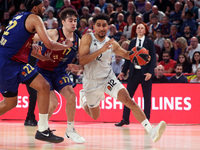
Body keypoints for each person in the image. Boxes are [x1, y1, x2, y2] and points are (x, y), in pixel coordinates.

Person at [79, 14, 166, 143]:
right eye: (99, 25)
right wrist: (101, 50)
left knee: (129, 101)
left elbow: (125, 54)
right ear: (94, 27)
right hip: (91, 82)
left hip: (108, 79)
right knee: (95, 115)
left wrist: (139, 56)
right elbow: (82, 60)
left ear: (108, 27)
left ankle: (151, 131)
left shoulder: (111, 42)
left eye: (104, 25)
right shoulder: (87, 38)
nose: (102, 28)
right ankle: (84, 99)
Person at [0, 0, 73, 143]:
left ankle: (42, 130)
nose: (45, 8)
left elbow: (25, 46)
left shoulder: (19, 17)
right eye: (42, 6)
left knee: (43, 86)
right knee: (10, 103)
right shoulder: (35, 18)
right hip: (8, 63)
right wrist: (65, 46)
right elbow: (49, 43)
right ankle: (43, 129)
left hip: (13, 61)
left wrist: (42, 57)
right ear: (35, 8)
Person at [33, 8, 85, 143]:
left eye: (75, 21)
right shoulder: (53, 33)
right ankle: (42, 128)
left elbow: (84, 60)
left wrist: (80, 67)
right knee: (53, 103)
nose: (73, 23)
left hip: (60, 72)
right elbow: (31, 38)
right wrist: (35, 50)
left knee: (72, 96)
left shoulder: (78, 41)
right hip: (43, 71)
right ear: (63, 22)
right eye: (70, 20)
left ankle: (70, 130)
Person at [116, 23, 156, 126]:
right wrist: (123, 72)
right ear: (136, 30)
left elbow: (153, 59)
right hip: (134, 73)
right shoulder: (132, 42)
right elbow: (129, 58)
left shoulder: (149, 42)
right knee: (127, 97)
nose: (140, 29)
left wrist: (150, 72)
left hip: (145, 74)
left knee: (147, 97)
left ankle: (146, 120)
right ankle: (125, 118)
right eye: (138, 28)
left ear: (145, 30)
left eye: (142, 28)